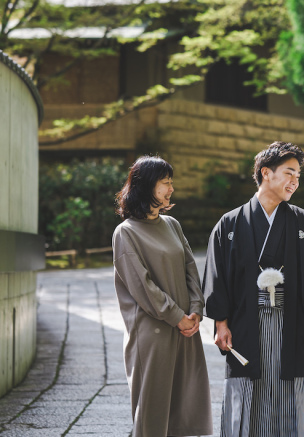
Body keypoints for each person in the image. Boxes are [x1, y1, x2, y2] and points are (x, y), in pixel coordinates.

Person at [202, 142, 304, 437]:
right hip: (245, 324)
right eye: (289, 173)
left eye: (298, 176)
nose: (295, 182)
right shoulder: (230, 224)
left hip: (295, 324)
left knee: (291, 394)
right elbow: (218, 277)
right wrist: (220, 323)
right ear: (266, 173)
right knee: (248, 391)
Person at [111, 155, 213, 437]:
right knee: (152, 414)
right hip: (153, 332)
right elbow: (142, 286)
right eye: (165, 183)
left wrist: (195, 309)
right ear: (145, 187)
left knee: (185, 405)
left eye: (171, 182)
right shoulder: (126, 232)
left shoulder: (172, 224)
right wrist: (176, 316)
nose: (171, 189)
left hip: (185, 328)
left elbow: (190, 267)